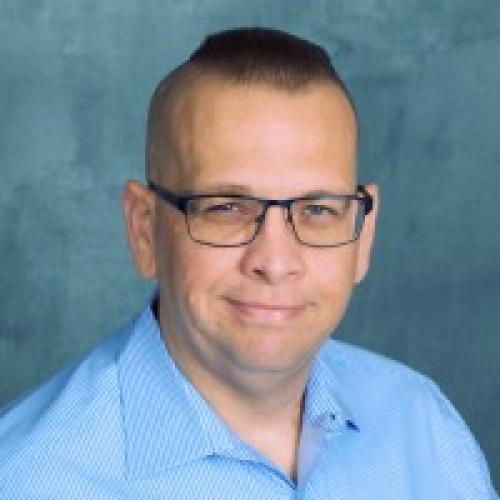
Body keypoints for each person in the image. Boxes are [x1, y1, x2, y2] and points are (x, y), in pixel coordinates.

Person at [0, 27, 497, 499]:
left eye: (317, 210)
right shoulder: (28, 479)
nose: (275, 263)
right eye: (226, 208)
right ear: (145, 230)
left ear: (363, 234)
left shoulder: (422, 426)